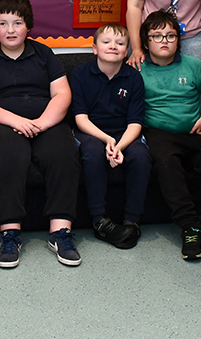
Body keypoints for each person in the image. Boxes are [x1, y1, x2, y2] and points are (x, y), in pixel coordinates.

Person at [0, 0, 81, 268]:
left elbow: (62, 95)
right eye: (3, 23)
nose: (10, 30)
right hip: (0, 122)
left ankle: (60, 232)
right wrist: (15, 121)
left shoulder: (44, 54)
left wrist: (42, 123)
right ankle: (10, 233)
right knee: (10, 155)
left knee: (64, 152)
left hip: (44, 119)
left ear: (28, 26)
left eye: (17, 23)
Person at [138, 10, 201, 261]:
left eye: (170, 35)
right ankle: (190, 226)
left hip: (191, 132)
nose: (164, 40)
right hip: (155, 133)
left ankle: (188, 206)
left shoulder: (193, 65)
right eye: (157, 36)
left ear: (179, 39)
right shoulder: (138, 69)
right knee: (167, 162)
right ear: (146, 42)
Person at [69, 23, 148, 249]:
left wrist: (119, 146)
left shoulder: (133, 78)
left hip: (124, 133)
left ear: (127, 51)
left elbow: (135, 122)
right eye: (106, 42)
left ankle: (132, 220)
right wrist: (106, 140)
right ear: (94, 49)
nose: (113, 46)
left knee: (141, 156)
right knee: (93, 154)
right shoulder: (81, 74)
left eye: (120, 43)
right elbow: (80, 119)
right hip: (91, 131)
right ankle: (99, 220)